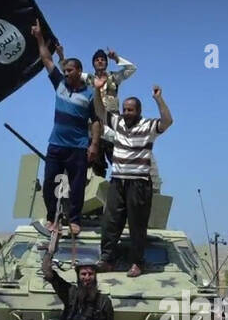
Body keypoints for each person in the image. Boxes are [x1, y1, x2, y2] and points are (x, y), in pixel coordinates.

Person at [93, 81, 172, 277]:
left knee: (137, 224)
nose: (127, 113)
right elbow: (100, 111)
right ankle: (107, 260)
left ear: (138, 111)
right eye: (125, 110)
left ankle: (137, 262)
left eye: (130, 110)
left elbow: (168, 121)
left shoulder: (148, 126)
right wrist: (96, 89)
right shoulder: (118, 123)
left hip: (139, 183)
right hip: (118, 181)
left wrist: (159, 99)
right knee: (111, 222)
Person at [31, 20, 100, 236]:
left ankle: (74, 220)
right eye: (66, 70)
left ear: (79, 71)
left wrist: (94, 145)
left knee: (77, 186)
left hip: (78, 147)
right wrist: (39, 38)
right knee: (50, 182)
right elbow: (46, 59)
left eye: (70, 70)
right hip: (56, 144)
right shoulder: (59, 84)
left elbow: (96, 120)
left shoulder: (89, 94)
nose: (66, 72)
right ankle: (53, 219)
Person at [86, 47, 137, 177]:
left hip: (112, 124)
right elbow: (68, 72)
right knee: (94, 165)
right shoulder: (88, 79)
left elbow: (131, 69)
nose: (100, 62)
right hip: (94, 126)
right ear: (93, 63)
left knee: (121, 161)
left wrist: (116, 58)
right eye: (97, 60)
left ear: (106, 63)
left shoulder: (114, 77)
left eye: (102, 59)